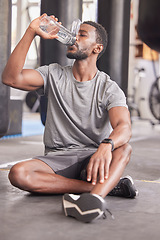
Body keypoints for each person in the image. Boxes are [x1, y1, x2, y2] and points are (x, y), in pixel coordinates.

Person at [2, 14, 138, 223]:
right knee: (18, 174)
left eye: (82, 35)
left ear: (97, 48)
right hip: (58, 158)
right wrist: (31, 31)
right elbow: (11, 78)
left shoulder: (108, 88)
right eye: (75, 34)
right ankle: (108, 187)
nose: (74, 38)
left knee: (124, 148)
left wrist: (106, 146)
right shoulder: (53, 74)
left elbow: (124, 127)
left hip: (92, 160)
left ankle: (92, 200)